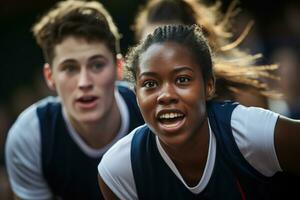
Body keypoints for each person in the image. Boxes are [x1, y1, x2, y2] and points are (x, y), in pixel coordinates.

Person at [98, 25, 300, 200]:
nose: (166, 95)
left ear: (209, 86)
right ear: (136, 95)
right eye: (150, 84)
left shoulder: (250, 133)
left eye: (182, 79)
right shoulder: (120, 169)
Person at [5, 0, 144, 199]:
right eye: (70, 68)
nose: (84, 82)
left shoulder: (151, 112)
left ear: (119, 68)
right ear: (50, 77)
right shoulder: (30, 136)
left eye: (97, 65)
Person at [132, 0, 279, 108]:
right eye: (149, 45)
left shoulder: (243, 96)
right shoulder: (131, 103)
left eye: (173, 45)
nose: (161, 57)